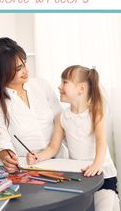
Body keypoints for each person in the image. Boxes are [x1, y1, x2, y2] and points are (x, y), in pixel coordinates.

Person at [26, 65, 119, 211]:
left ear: (81, 88)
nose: (59, 86)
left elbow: (101, 142)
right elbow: (53, 148)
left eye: (65, 82)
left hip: (103, 174)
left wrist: (96, 165)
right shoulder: (62, 118)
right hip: (81, 176)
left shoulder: (96, 113)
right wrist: (38, 157)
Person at [0, 37, 62, 173]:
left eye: (24, 63)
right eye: (18, 68)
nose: (26, 71)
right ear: (1, 72)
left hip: (62, 162)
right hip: (28, 169)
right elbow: (3, 144)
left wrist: (49, 151)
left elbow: (61, 122)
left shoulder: (42, 86)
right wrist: (7, 157)